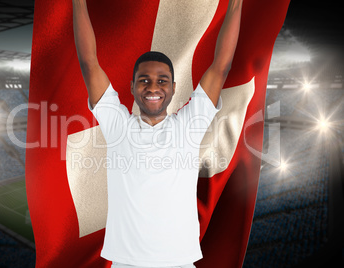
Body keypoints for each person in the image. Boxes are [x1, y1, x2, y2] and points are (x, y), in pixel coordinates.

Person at [72, 0, 243, 267]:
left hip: (179, 262)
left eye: (162, 80)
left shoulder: (188, 126)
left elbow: (221, 66)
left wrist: (236, 4)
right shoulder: (118, 125)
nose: (153, 87)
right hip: (125, 263)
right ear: (131, 87)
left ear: (174, 88)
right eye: (144, 80)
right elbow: (88, 62)